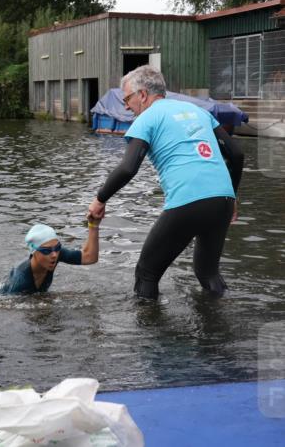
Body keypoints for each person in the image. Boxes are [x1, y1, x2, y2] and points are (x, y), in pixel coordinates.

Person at [88, 65, 244, 300]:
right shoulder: (197, 111)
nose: (126, 106)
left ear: (142, 94)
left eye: (127, 99)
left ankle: (147, 333)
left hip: (187, 200)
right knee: (207, 273)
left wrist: (100, 199)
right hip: (221, 199)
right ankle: (218, 328)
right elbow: (236, 154)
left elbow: (128, 168)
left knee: (146, 273)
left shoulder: (147, 117)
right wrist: (231, 196)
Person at [0, 220, 100, 295]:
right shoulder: (21, 280)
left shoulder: (56, 254)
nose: (54, 254)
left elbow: (90, 257)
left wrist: (93, 225)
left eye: (57, 247)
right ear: (34, 251)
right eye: (46, 250)